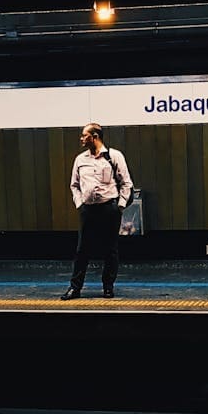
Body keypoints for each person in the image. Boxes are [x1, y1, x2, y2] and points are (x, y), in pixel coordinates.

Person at [61, 122, 133, 300]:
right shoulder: (80, 160)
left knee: (110, 250)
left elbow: (126, 183)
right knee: (82, 250)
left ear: (95, 137)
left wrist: (120, 206)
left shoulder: (114, 156)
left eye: (84, 135)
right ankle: (75, 288)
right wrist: (80, 204)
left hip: (109, 208)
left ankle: (108, 287)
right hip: (88, 210)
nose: (81, 138)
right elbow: (74, 185)